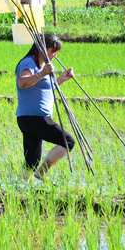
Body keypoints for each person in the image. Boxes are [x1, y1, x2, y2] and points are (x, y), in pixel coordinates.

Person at [15, 33, 76, 181]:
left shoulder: (43, 65)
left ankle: (20, 191)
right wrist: (42, 73)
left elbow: (45, 88)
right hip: (34, 117)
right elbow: (22, 83)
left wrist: (62, 78)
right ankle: (41, 173)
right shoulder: (29, 63)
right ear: (41, 48)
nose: (55, 55)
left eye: (57, 52)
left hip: (30, 118)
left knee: (32, 160)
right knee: (68, 141)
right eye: (52, 51)